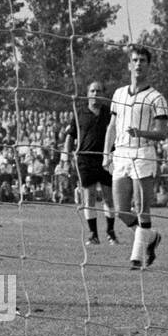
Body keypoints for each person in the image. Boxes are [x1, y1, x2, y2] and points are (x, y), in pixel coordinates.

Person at [104, 46, 168, 270]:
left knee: (141, 206)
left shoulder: (156, 98)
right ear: (129, 65)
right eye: (135, 60)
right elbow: (112, 126)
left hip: (143, 153)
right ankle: (151, 237)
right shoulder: (119, 94)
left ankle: (137, 256)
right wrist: (106, 153)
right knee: (121, 210)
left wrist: (140, 132)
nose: (138, 63)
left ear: (149, 66)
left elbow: (162, 132)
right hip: (121, 154)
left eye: (143, 60)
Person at [65, 81, 116, 245]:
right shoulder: (79, 112)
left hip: (106, 159)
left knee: (109, 198)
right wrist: (66, 158)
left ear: (103, 94)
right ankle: (93, 234)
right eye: (92, 91)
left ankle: (111, 232)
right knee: (89, 197)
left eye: (98, 91)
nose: (95, 94)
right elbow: (70, 136)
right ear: (87, 94)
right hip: (85, 160)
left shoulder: (110, 113)